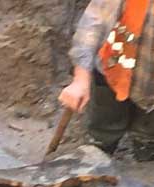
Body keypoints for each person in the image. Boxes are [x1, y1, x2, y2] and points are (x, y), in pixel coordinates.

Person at [60, 0, 154, 160]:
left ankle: (145, 148)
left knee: (147, 138)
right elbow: (94, 22)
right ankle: (100, 146)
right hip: (112, 72)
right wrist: (81, 80)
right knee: (103, 131)